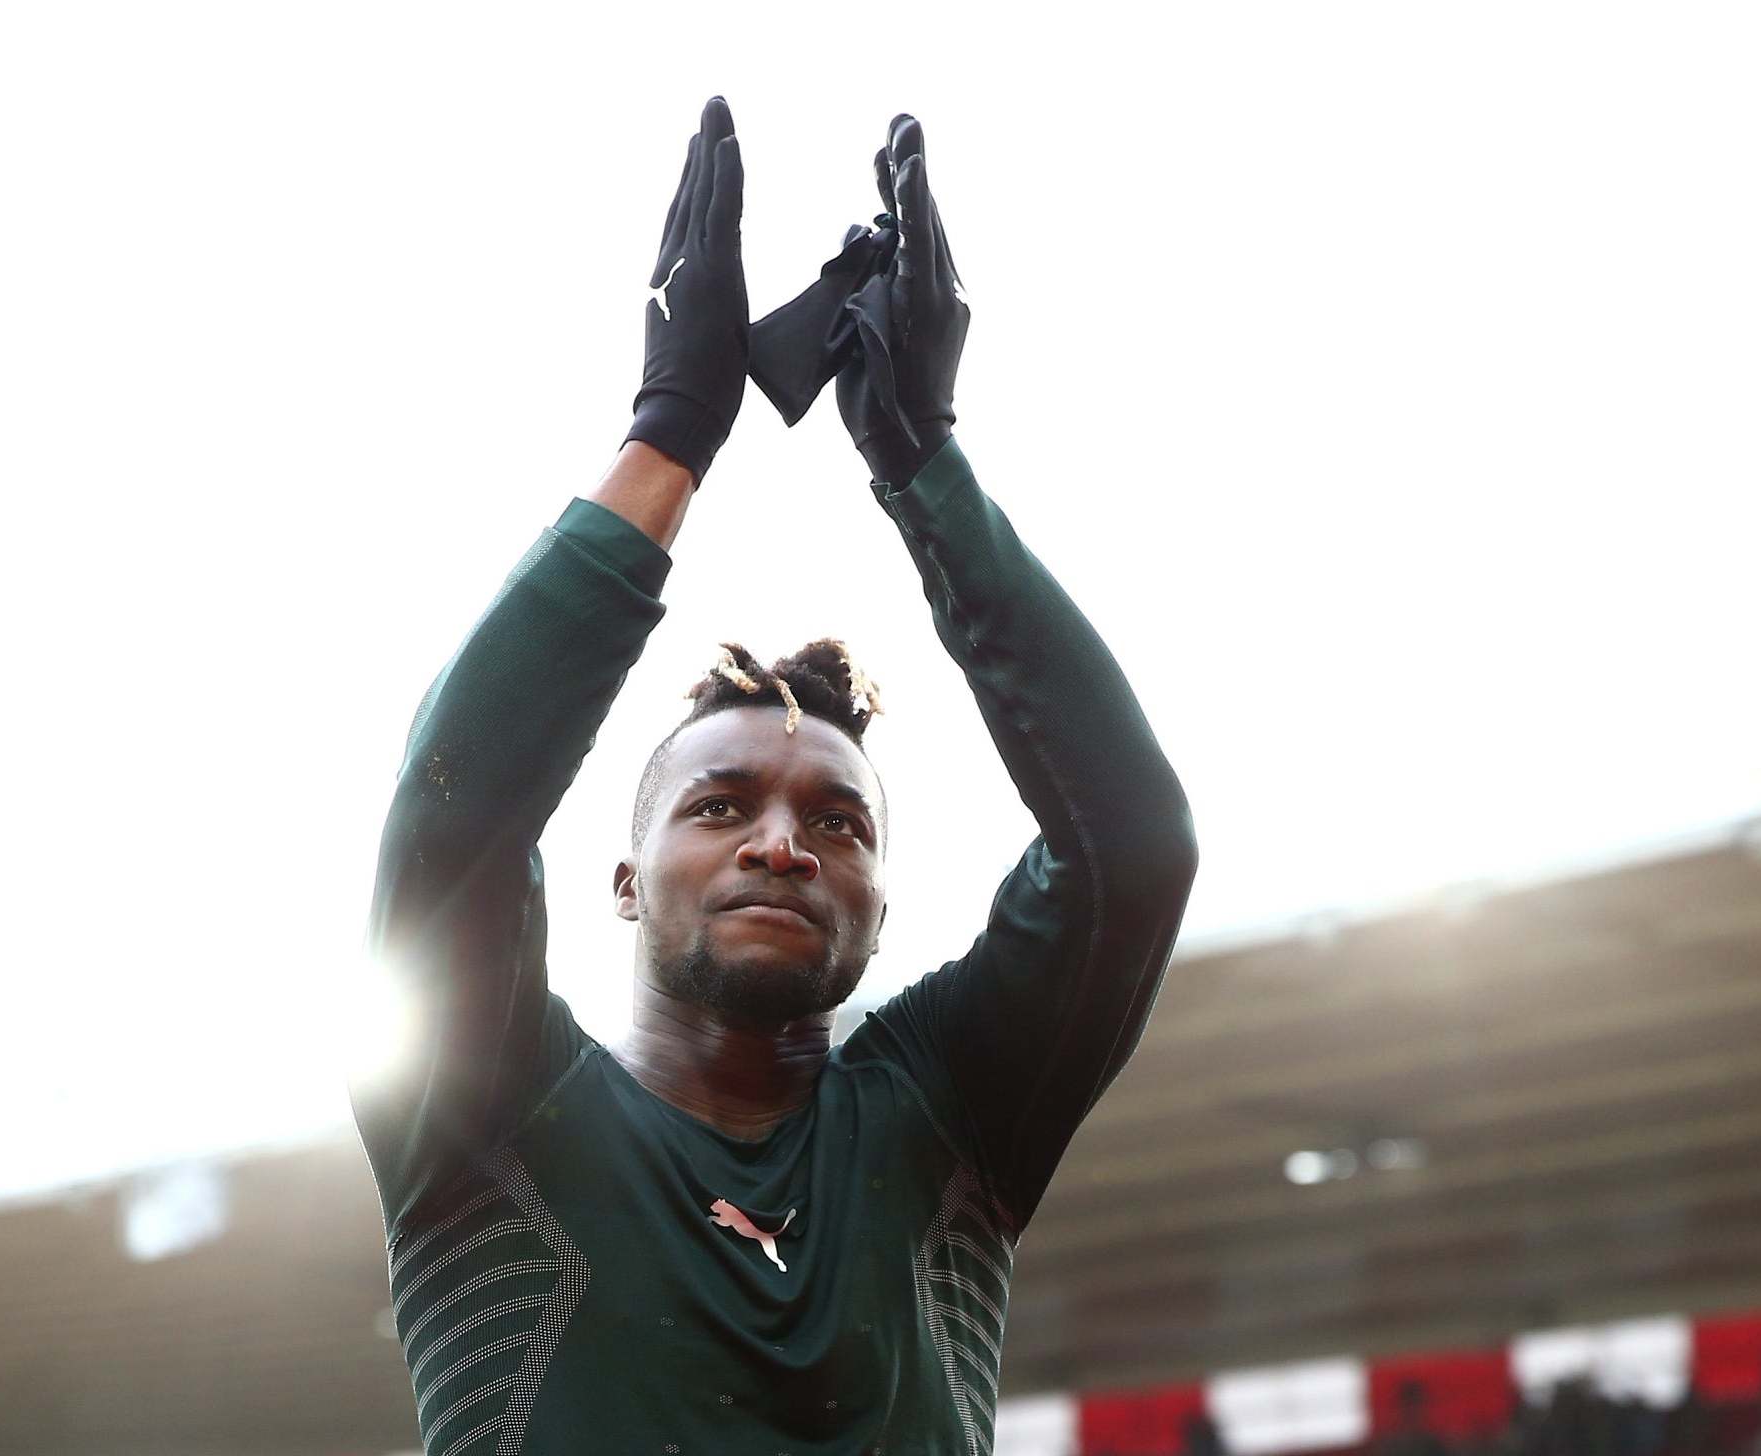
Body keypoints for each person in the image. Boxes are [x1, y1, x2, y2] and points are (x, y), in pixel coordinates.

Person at [348, 95, 1200, 1455]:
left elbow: (1130, 850)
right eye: (720, 805)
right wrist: (667, 438)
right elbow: (451, 813)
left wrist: (923, 462)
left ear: (878, 904)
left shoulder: (949, 1116)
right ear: (623, 884)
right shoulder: (489, 1114)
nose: (783, 844)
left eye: (839, 824)